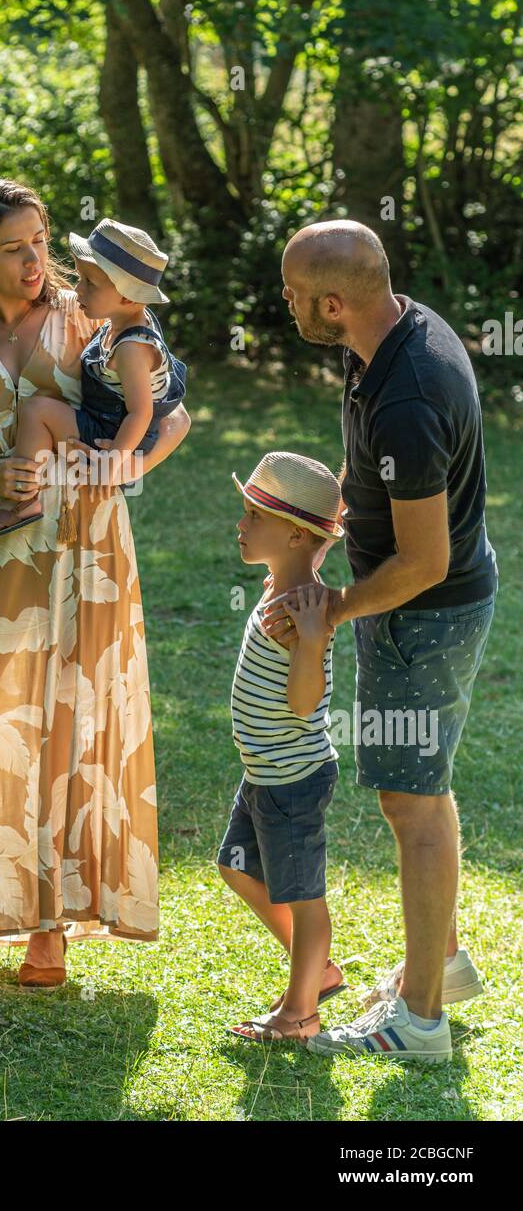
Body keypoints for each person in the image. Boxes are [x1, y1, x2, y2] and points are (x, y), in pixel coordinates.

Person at [0, 178, 191, 989]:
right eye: (14, 246)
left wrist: (125, 465)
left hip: (88, 549)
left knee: (72, 724)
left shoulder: (90, 315)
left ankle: (48, 935)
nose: (34, 260)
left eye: (41, 241)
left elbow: (173, 417)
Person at [263, 219, 498, 1063]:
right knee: (421, 793)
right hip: (415, 607)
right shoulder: (392, 327)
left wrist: (335, 608)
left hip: (422, 615)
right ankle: (439, 966)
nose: (285, 303)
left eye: (293, 294)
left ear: (332, 300)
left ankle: (421, 1023)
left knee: (411, 806)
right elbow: (373, 479)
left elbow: (424, 561)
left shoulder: (408, 396)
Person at [218, 452, 346, 1044]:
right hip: (263, 774)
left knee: (304, 896)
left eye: (252, 515)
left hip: (292, 779)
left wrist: (313, 644)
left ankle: (299, 1014)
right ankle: (313, 969)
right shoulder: (282, 587)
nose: (240, 525)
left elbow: (303, 703)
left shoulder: (303, 612)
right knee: (235, 866)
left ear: (295, 534)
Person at [0, 218, 186, 541]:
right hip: (111, 427)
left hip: (113, 435)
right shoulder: (119, 323)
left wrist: (115, 462)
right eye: (79, 278)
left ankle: (23, 500)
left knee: (36, 411)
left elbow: (141, 411)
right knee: (40, 410)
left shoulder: (132, 348)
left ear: (127, 297)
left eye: (90, 283)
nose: (77, 289)